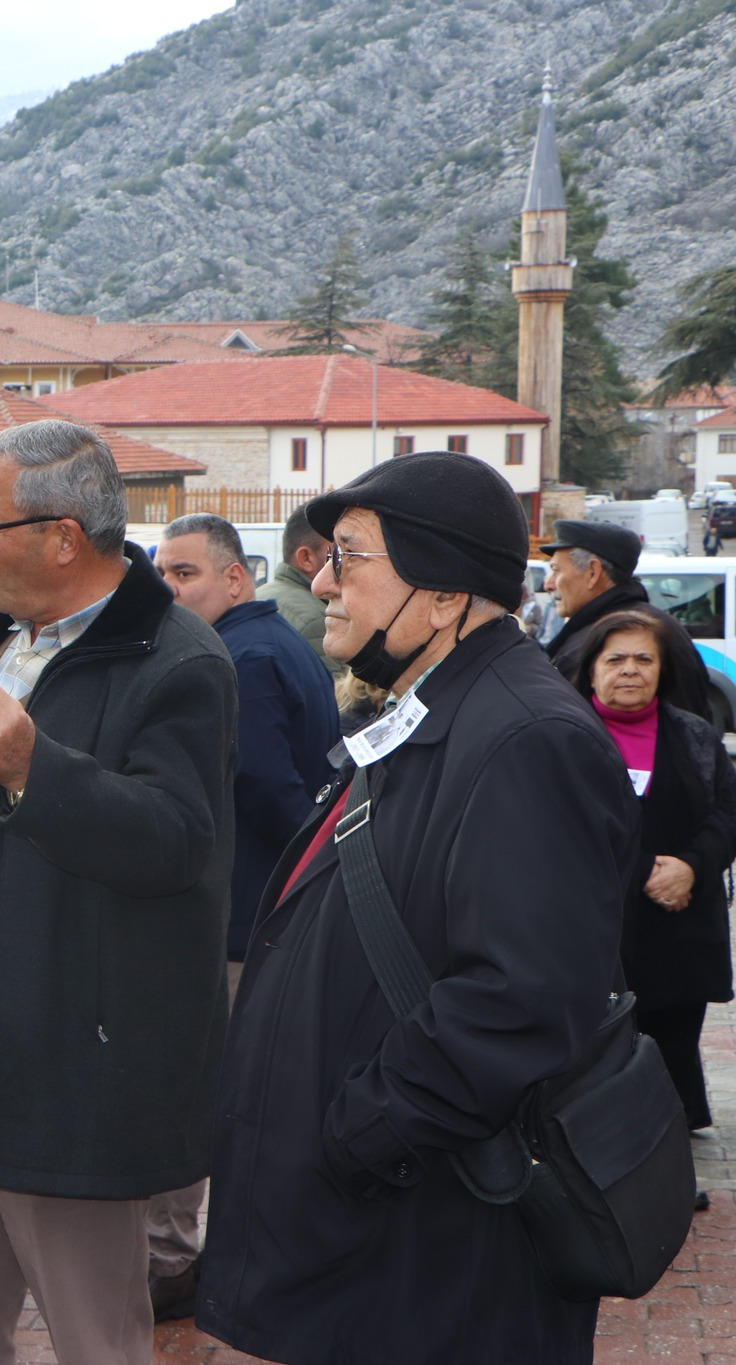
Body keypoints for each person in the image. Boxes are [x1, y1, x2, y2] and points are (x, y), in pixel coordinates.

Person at [200, 453, 637, 1364]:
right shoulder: (435, 704)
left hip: (431, 1240)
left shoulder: (527, 738)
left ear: (444, 598)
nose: (320, 578)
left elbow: (521, 997)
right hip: (378, 1226)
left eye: (349, 557)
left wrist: (358, 1133)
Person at [0, 420, 235, 1365]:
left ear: (61, 536)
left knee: (92, 1325)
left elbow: (177, 842)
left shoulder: (178, 660)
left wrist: (40, 772)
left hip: (61, 1045)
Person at [150, 513, 337, 1319]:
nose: (169, 589)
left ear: (236, 579)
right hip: (261, 907)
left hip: (241, 914)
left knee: (202, 1094)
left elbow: (267, 786)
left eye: (184, 574)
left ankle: (176, 1261)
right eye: (162, 573)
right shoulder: (267, 644)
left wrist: (303, 874)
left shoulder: (243, 656)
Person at [572, 609, 736, 1153]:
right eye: (615, 659)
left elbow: (727, 815)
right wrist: (646, 871)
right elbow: (565, 823)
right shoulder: (564, 736)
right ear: (591, 669)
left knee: (673, 1042)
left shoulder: (694, 736)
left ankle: (669, 1161)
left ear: (662, 670)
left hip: (681, 921)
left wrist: (691, 866)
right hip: (600, 926)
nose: (630, 670)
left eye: (645, 659)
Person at [541, 519, 713, 721]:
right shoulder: (662, 626)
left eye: (556, 569)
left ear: (593, 573)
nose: (549, 584)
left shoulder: (591, 644)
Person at [257, 504, 341, 679]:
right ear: (306, 558)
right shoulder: (317, 621)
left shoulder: (258, 597)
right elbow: (340, 701)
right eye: (337, 555)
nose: (345, 563)